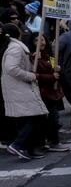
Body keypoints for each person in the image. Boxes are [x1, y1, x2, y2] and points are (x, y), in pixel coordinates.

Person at [1, 23, 47, 160]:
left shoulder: (13, 47)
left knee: (26, 119)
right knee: (34, 118)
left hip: (18, 89)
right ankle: (17, 145)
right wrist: (30, 76)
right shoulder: (15, 48)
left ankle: (24, 148)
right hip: (20, 88)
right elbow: (12, 68)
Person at [31, 33, 71, 152]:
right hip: (42, 92)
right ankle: (49, 142)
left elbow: (55, 69)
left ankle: (52, 141)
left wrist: (57, 69)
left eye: (42, 39)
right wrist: (35, 61)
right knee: (47, 119)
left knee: (54, 117)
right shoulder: (33, 57)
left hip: (53, 92)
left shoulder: (50, 55)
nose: (41, 42)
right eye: (36, 40)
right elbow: (35, 75)